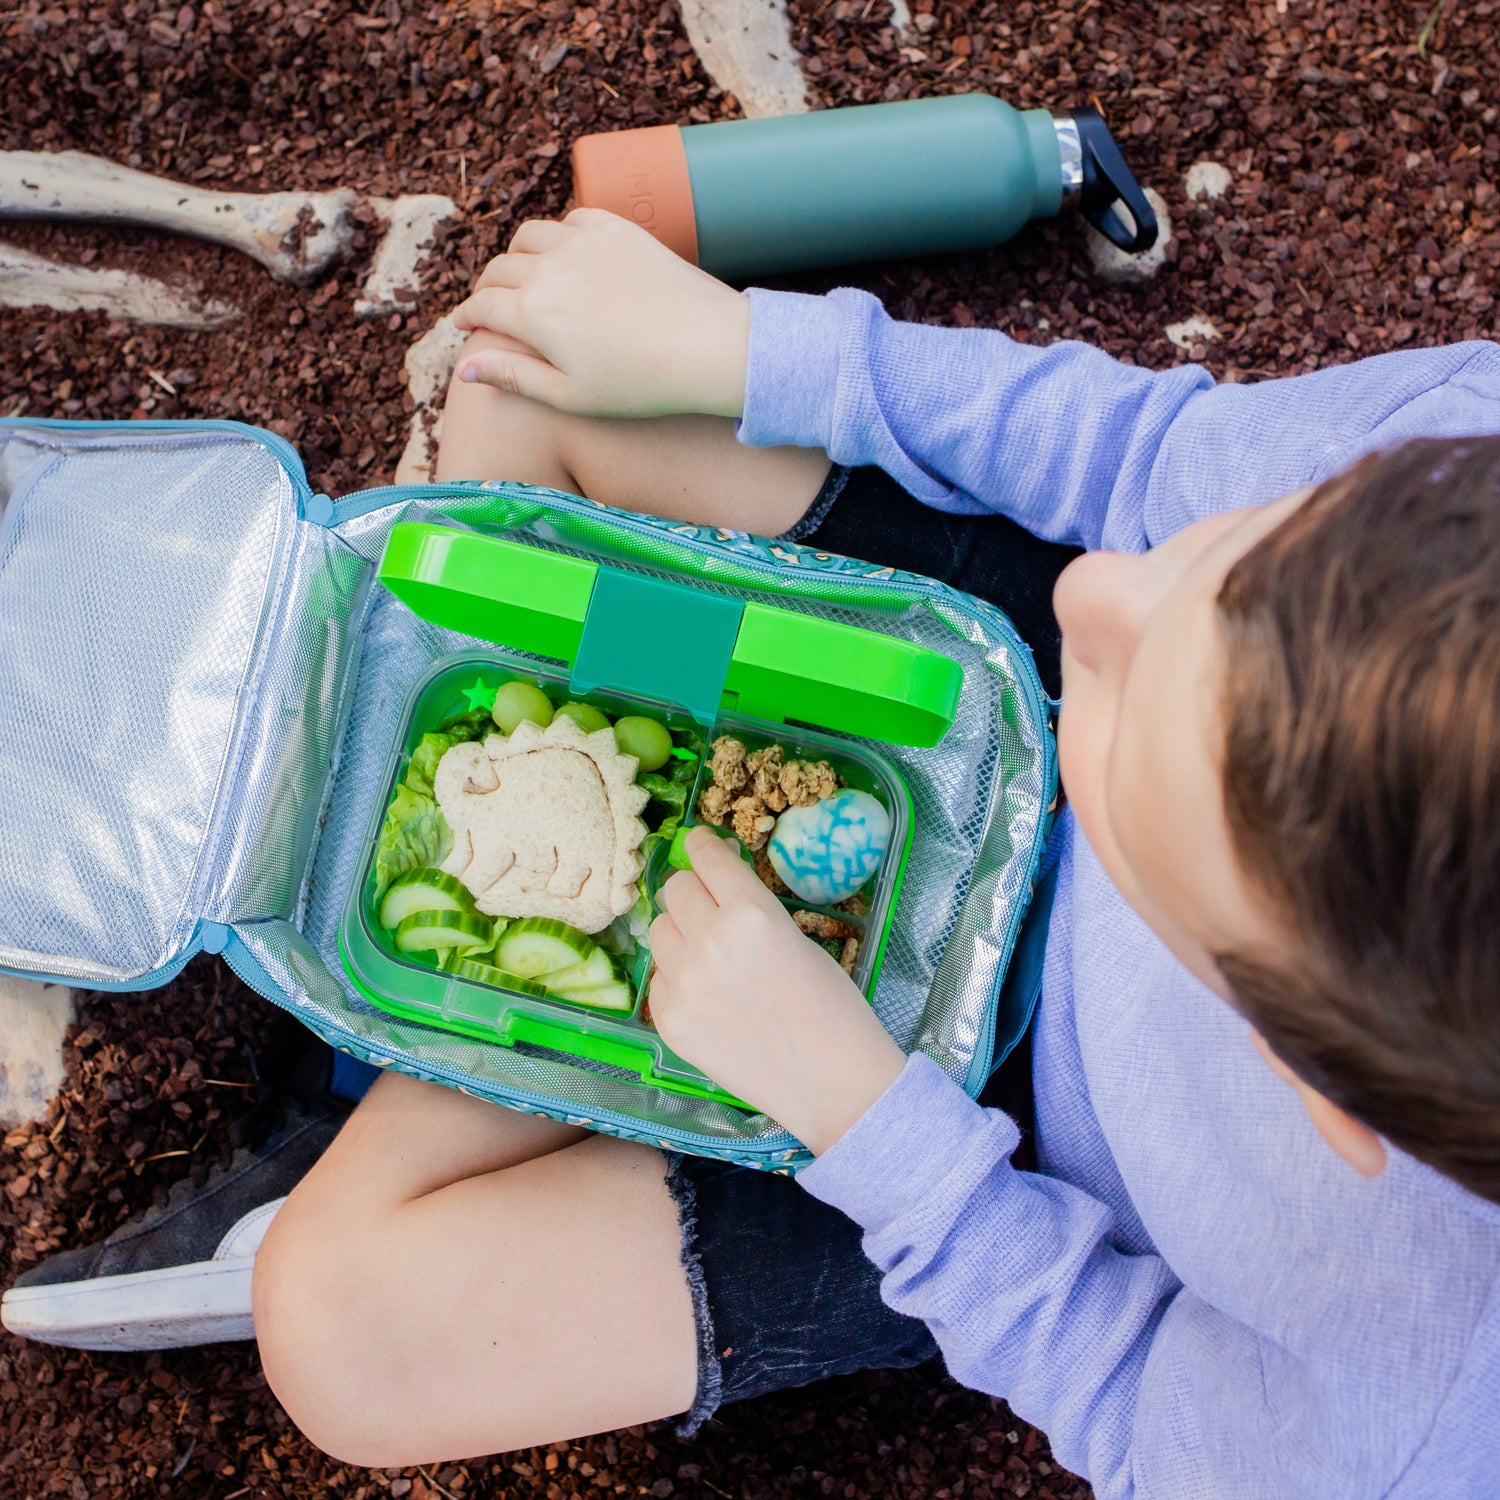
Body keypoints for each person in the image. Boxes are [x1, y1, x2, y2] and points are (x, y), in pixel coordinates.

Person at [13, 207, 1500, 1497]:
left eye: (1131, 683)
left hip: (988, 1145)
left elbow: (1123, 1388)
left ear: (1316, 1092)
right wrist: (755, 356)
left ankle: (431, 1029)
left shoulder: (1407, 1417)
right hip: (960, 688)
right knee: (536, 388)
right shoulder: (1445, 477)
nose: (1106, 592)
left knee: (341, 1334)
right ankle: (434, 1021)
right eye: (1221, 568)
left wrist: (860, 1115)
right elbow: (1137, 460)